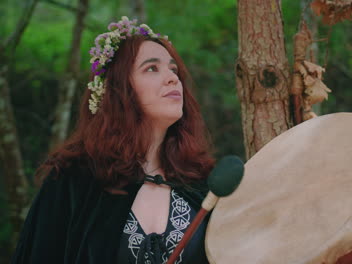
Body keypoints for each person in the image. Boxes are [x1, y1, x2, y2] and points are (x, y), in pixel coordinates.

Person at [12, 16, 215, 264]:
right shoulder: (73, 182)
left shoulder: (202, 184)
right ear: (119, 89)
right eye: (152, 68)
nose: (173, 78)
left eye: (173, 70)